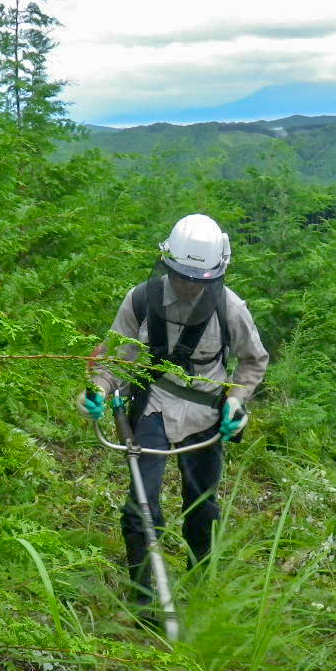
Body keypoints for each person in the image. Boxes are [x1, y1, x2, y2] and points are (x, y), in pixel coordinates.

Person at [80, 213, 269, 615]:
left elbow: (254, 362)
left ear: (214, 276)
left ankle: (199, 588)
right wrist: (98, 390)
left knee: (202, 510)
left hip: (205, 415)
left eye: (197, 280)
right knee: (140, 506)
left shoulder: (230, 308)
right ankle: (143, 600)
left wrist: (237, 401)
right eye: (180, 275)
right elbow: (115, 360)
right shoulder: (142, 299)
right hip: (153, 407)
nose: (186, 286)